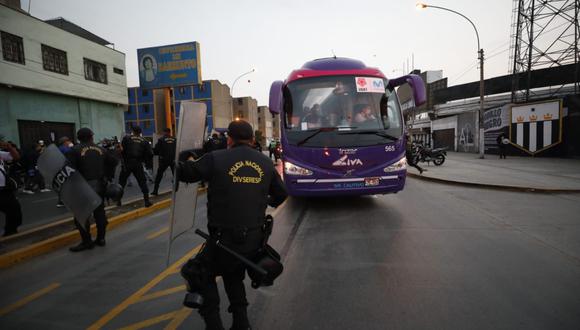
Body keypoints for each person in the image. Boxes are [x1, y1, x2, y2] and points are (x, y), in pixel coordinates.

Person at [178, 120, 288, 330]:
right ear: (252, 140)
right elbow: (281, 194)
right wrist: (260, 200)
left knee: (198, 273)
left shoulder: (216, 158)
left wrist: (186, 157)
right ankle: (241, 322)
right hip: (253, 241)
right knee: (233, 274)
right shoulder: (265, 163)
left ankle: (214, 324)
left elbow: (186, 173)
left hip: (223, 239)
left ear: (229, 139)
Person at [66, 128, 118, 252]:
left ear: (79, 138)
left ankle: (86, 241)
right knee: (99, 213)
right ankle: (101, 239)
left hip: (83, 187)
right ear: (91, 137)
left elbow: (69, 170)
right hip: (100, 186)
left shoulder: (74, 150)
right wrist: (107, 176)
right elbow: (114, 162)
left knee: (81, 216)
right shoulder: (102, 149)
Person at [119, 126, 154, 207]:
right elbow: (150, 154)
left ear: (133, 131)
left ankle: (118, 201)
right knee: (142, 182)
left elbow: (122, 150)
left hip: (127, 163)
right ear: (140, 132)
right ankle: (147, 201)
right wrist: (145, 161)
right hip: (138, 163)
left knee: (122, 182)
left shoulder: (126, 138)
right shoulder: (144, 141)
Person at [0, 140, 23, 236]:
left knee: (15, 211)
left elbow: (16, 157)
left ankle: (10, 232)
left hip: (4, 190)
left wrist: (9, 147)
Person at [151, 128, 176, 196]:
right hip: (173, 160)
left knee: (159, 176)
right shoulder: (175, 139)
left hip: (164, 160)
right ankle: (177, 189)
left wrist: (154, 152)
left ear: (164, 132)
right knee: (176, 175)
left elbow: (156, 150)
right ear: (169, 132)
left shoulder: (161, 140)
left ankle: (155, 191)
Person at [56, 137, 73, 207]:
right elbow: (71, 156)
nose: (69, 142)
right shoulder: (65, 148)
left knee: (63, 186)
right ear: (65, 142)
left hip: (60, 169)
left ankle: (61, 201)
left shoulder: (59, 148)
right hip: (66, 169)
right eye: (68, 141)